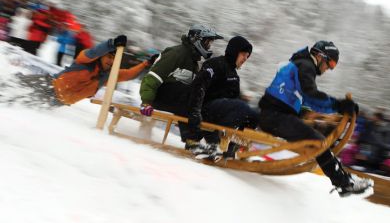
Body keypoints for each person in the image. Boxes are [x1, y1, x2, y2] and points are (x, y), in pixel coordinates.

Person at [257, 40, 373, 197]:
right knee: (317, 141)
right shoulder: (305, 66)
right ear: (320, 56)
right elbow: (312, 96)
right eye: (330, 63)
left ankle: (344, 179)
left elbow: (301, 101)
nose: (329, 69)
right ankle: (344, 183)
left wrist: (320, 116)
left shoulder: (300, 64)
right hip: (275, 117)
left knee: (316, 137)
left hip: (275, 115)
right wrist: (340, 106)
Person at [139, 24, 223, 144]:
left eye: (210, 43)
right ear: (197, 40)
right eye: (207, 42)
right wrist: (146, 102)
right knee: (192, 94)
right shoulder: (176, 53)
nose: (209, 46)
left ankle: (212, 143)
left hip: (177, 99)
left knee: (202, 97)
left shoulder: (194, 62)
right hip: (159, 96)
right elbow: (152, 78)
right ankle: (192, 141)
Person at [15, 35, 156, 106]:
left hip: (56, 102)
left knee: (20, 105)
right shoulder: (84, 61)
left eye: (113, 59)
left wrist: (146, 64)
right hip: (47, 84)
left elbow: (128, 74)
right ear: (102, 56)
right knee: (11, 86)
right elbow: (94, 52)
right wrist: (111, 44)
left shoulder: (106, 77)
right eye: (108, 57)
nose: (110, 61)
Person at [186, 36, 259, 161]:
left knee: (254, 115)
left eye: (247, 56)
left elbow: (233, 100)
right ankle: (214, 145)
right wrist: (194, 113)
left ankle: (232, 149)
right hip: (204, 110)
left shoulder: (235, 76)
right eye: (243, 54)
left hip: (220, 114)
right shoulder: (214, 64)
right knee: (241, 107)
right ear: (234, 51)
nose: (245, 59)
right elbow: (198, 87)